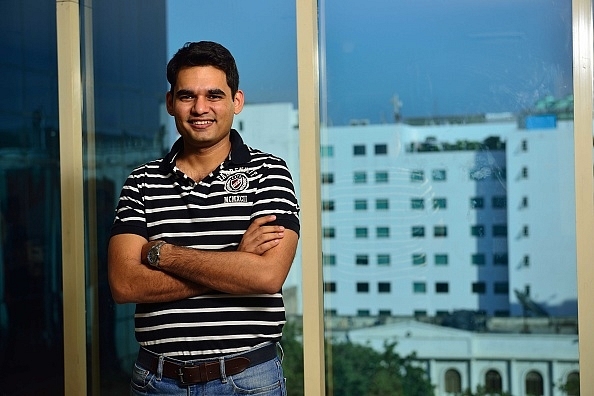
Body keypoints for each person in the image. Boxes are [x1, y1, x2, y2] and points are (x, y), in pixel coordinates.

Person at [108, 41, 300, 395]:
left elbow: (267, 276)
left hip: (248, 381)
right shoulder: (141, 182)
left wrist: (164, 254)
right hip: (156, 382)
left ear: (236, 101)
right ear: (170, 103)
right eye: (186, 96)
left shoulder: (269, 173)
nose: (200, 108)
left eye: (214, 95)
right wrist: (234, 262)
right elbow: (125, 284)